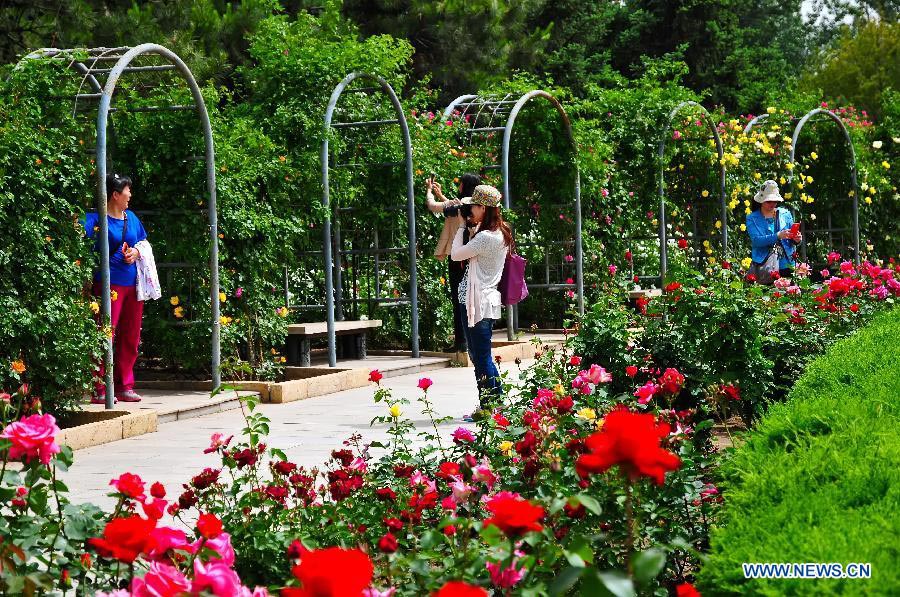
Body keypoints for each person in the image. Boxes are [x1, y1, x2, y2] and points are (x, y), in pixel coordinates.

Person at [83, 174, 149, 404]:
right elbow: (81, 241)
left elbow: (143, 241)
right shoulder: (95, 219)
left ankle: (124, 385)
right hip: (108, 284)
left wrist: (137, 252)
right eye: (127, 192)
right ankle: (99, 387)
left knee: (131, 336)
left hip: (132, 285)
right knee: (105, 334)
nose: (130, 196)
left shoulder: (131, 218)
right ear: (115, 195)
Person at [450, 184, 511, 415]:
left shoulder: (486, 237)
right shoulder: (501, 231)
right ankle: (497, 404)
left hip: (477, 302)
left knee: (481, 357)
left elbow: (456, 254)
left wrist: (461, 229)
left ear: (483, 208)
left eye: (474, 206)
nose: (470, 210)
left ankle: (488, 408)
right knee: (479, 355)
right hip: (485, 301)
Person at [426, 172, 481, 353]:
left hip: (457, 257)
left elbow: (432, 206)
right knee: (470, 297)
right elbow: (455, 207)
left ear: (464, 185)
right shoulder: (475, 205)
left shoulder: (457, 206)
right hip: (472, 256)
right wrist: (442, 196)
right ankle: (469, 340)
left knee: (459, 299)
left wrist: (429, 191)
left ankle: (461, 342)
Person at [746, 179, 801, 280]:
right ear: (761, 201)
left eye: (775, 201)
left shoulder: (785, 214)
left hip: (788, 265)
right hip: (765, 266)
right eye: (769, 201)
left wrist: (796, 239)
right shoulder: (752, 218)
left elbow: (791, 240)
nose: (772, 204)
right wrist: (778, 236)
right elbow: (756, 241)